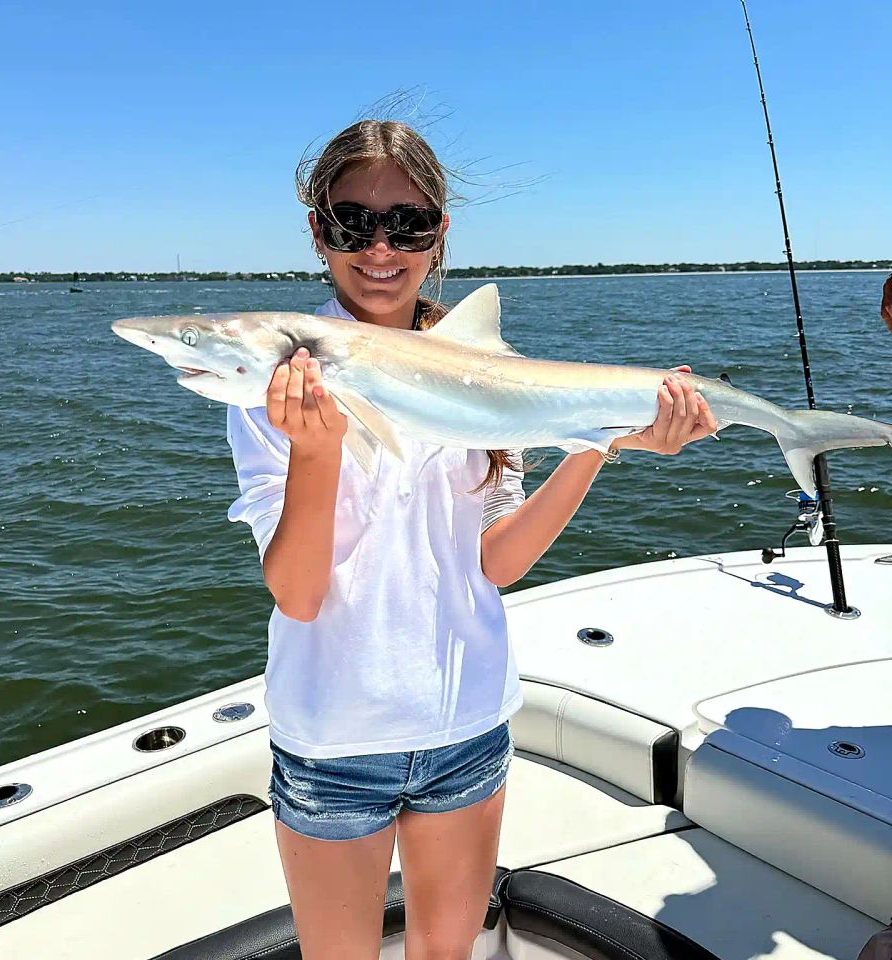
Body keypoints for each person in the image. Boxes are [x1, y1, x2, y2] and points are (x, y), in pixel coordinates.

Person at [225, 119, 718, 960]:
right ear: (317, 230)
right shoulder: (276, 376)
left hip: (468, 726)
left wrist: (596, 442)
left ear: (439, 233)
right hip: (335, 738)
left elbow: (498, 562)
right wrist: (316, 448)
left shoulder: (492, 373)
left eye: (407, 224)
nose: (381, 248)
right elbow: (300, 594)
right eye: (352, 222)